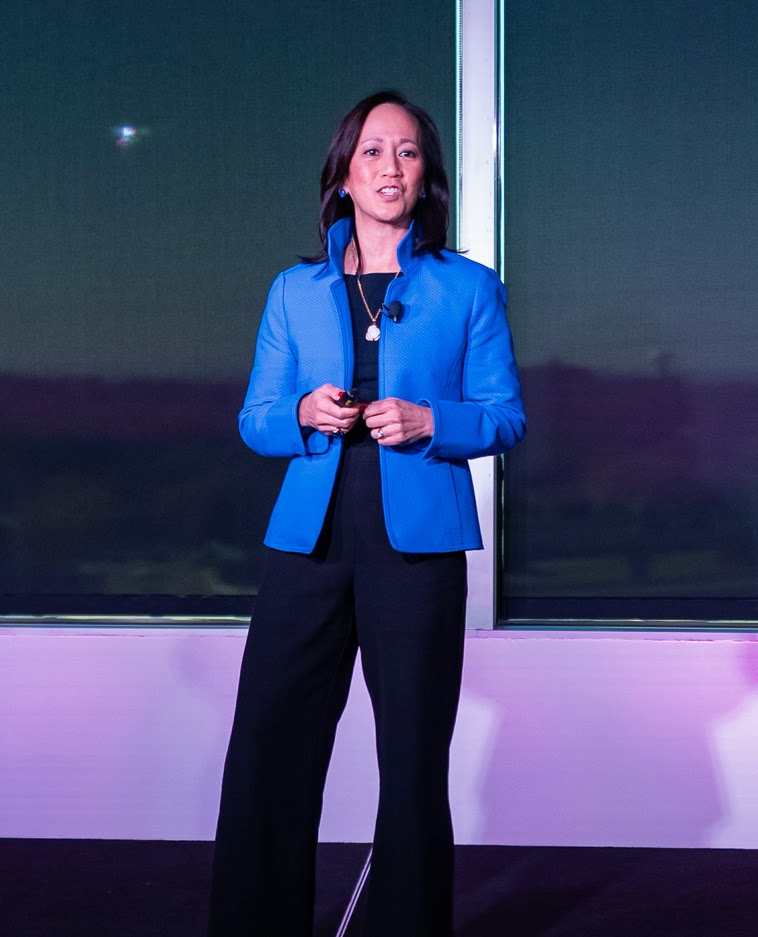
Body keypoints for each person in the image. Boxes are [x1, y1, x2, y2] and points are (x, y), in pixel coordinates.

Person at [207, 90, 525, 937]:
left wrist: (434, 423)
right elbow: (255, 419)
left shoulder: (469, 288)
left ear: (428, 179)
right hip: (308, 541)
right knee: (268, 747)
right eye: (376, 152)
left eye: (411, 153)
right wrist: (303, 414)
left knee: (413, 760)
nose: (393, 167)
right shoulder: (293, 290)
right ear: (344, 173)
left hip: (418, 548)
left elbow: (505, 415)